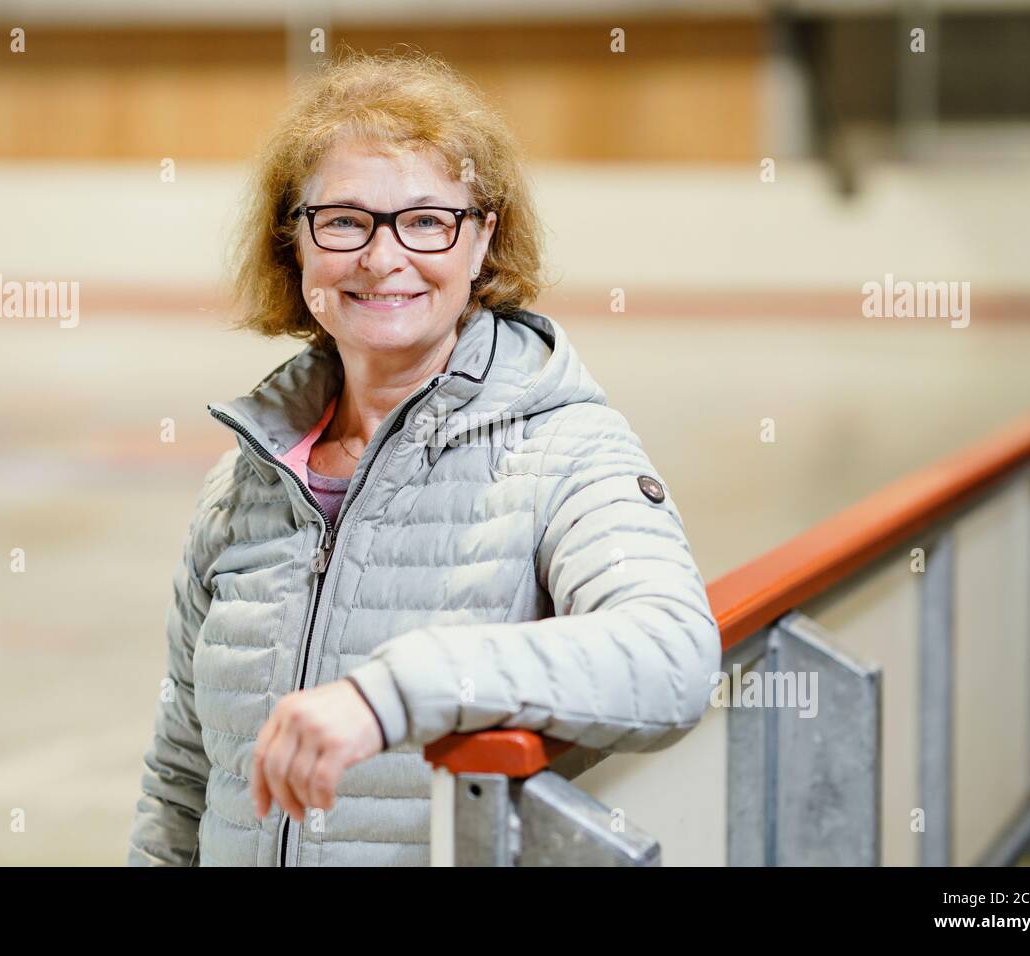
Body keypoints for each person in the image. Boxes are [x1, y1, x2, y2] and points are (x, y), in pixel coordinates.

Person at [127, 48, 721, 867]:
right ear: (293, 245)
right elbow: (182, 779)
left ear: (483, 241)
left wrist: (393, 692)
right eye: (343, 220)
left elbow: (671, 658)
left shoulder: (564, 448)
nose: (381, 257)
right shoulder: (243, 482)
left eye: (426, 220)